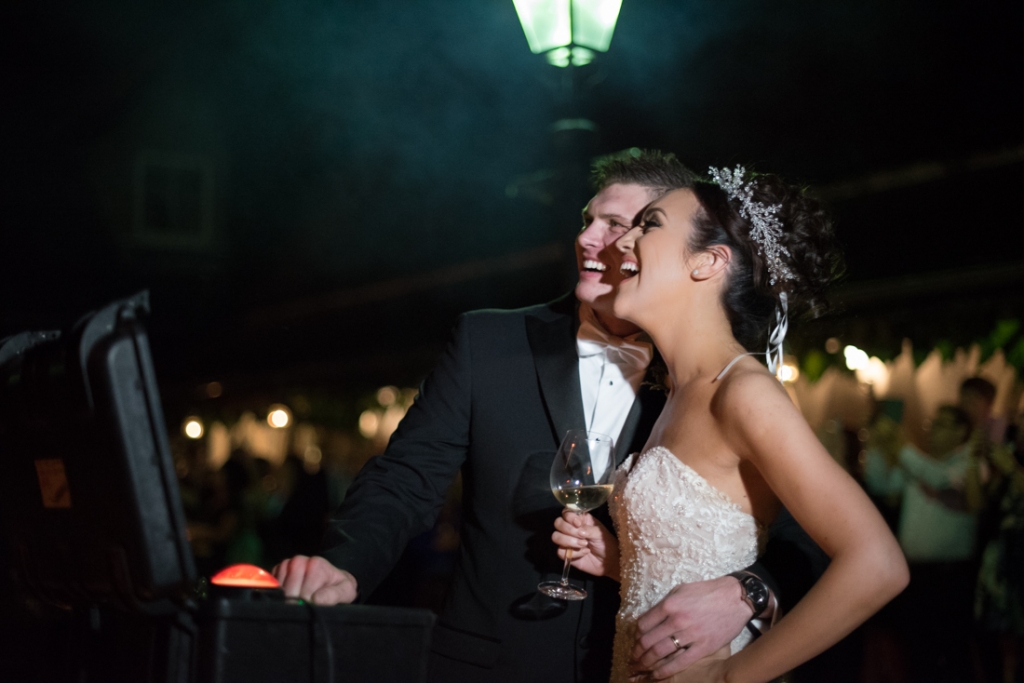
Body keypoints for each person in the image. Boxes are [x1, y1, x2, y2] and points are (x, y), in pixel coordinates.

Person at [274, 152, 819, 683]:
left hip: (641, 663)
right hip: (489, 662)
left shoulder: (706, 381)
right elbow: (406, 479)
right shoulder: (487, 342)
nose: (587, 239)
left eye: (620, 225)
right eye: (588, 221)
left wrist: (748, 592)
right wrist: (344, 565)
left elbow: (802, 538)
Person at [552, 168, 908, 682]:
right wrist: (619, 563)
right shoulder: (676, 392)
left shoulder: (743, 392)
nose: (623, 239)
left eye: (648, 225)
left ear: (707, 262)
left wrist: (731, 676)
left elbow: (878, 563)